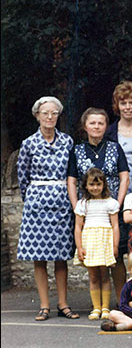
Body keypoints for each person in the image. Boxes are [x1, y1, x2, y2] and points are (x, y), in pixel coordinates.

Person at [18, 97, 79, 321]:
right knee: (39, 257)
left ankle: (63, 303)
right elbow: (22, 177)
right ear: (37, 115)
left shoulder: (67, 142)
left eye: (54, 113)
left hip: (62, 202)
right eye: (45, 113)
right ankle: (44, 305)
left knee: (61, 256)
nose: (50, 117)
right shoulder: (28, 143)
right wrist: (32, 198)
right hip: (36, 203)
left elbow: (73, 173)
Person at [67, 107, 130, 298]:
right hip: (89, 211)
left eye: (101, 123)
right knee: (93, 257)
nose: (96, 126)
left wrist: (118, 204)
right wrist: (77, 207)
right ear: (85, 126)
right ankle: (99, 304)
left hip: (111, 210)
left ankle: (121, 301)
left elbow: (124, 177)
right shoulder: (77, 150)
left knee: (116, 256)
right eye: (92, 123)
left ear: (106, 126)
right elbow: (71, 180)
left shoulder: (114, 147)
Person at [73, 168, 120, 320]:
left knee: (105, 275)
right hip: (90, 242)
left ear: (104, 185)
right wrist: (79, 247)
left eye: (98, 185)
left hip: (104, 241)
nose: (95, 188)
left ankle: (105, 307)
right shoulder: (83, 204)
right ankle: (96, 307)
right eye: (91, 185)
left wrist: (114, 245)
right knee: (93, 276)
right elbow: (78, 227)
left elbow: (115, 226)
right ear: (86, 186)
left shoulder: (110, 203)